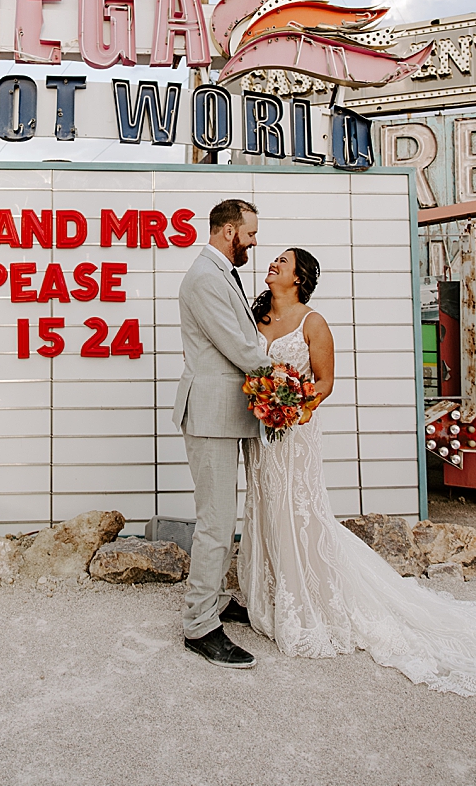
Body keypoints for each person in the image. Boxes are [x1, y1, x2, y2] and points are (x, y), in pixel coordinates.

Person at [239, 246, 476, 695]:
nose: (273, 264)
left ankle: (310, 599)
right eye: (274, 260)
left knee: (299, 509)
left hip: (295, 433)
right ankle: (270, 595)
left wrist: (294, 408)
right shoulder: (255, 316)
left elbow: (324, 382)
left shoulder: (313, 323)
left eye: (283, 261)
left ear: (300, 277)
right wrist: (264, 402)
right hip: (260, 436)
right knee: (264, 505)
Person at [173, 198, 272, 669]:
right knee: (215, 520)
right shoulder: (205, 277)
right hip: (211, 413)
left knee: (223, 517)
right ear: (229, 231)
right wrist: (284, 374)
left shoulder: (221, 273)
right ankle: (199, 626)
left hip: (228, 411)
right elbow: (237, 344)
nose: (255, 242)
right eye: (250, 234)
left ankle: (211, 600)